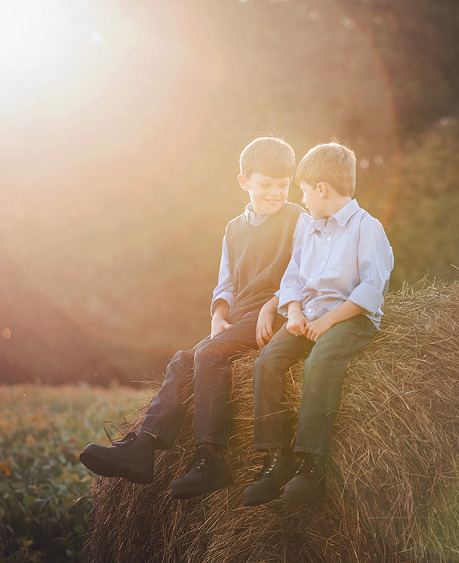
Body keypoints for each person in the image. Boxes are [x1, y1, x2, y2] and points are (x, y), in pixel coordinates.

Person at [80, 136, 311, 499]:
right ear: (244, 181)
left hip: (277, 312)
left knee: (209, 354)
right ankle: (144, 446)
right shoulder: (234, 228)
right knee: (183, 359)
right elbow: (227, 280)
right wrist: (220, 313)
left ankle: (210, 458)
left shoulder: (299, 219)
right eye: (266, 184)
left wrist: (276, 302)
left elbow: (306, 271)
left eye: (283, 185)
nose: (275, 193)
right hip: (240, 316)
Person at [242, 142, 394, 506]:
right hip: (307, 316)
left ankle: (311, 468)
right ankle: (276, 459)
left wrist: (328, 321)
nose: (303, 199)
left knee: (321, 361)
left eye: (305, 190)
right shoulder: (309, 229)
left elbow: (372, 288)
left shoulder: (367, 228)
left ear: (321, 189)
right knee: (267, 362)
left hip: (350, 318)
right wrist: (293, 311)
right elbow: (292, 278)